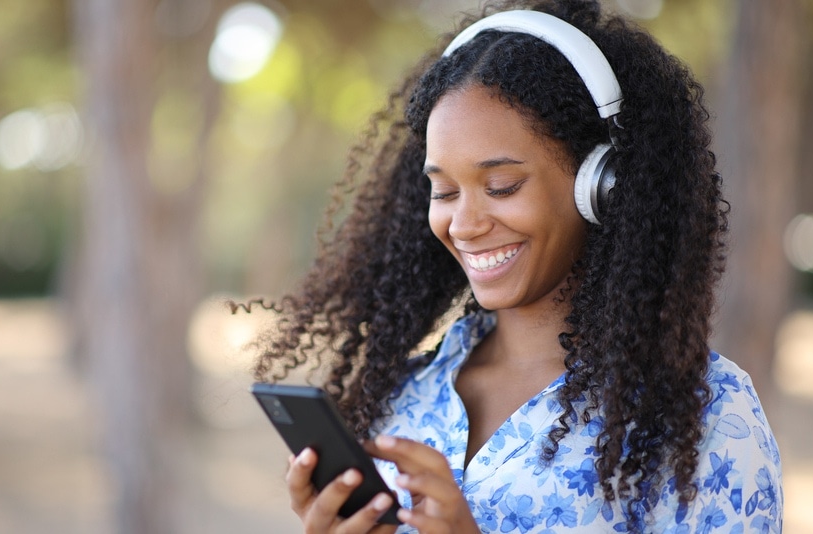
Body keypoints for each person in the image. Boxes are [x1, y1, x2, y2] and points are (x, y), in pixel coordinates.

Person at [245, 0, 783, 532]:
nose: (465, 224)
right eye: (444, 191)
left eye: (501, 186)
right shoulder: (404, 394)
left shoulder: (707, 414)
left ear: (602, 184)